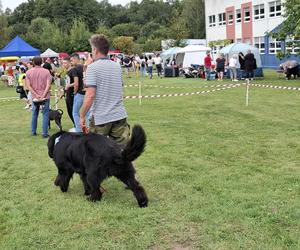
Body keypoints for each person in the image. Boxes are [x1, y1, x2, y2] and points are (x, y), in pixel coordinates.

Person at [80, 34, 130, 146]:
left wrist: (82, 115)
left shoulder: (92, 68)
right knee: (123, 152)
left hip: (100, 117)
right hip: (119, 115)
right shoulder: (116, 66)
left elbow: (90, 95)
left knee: (95, 152)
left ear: (95, 50)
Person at [25, 57, 52, 138]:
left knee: (34, 114)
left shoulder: (28, 72)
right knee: (45, 114)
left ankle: (33, 132)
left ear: (33, 62)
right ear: (42, 62)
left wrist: (36, 95)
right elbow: (48, 85)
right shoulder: (46, 71)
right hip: (45, 96)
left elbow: (28, 86)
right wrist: (43, 95)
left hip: (34, 97)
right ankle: (44, 133)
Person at [70, 53, 90, 132]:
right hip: (88, 93)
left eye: (71, 60)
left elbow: (76, 83)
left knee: (75, 113)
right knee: (87, 113)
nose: (71, 62)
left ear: (76, 59)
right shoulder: (85, 67)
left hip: (79, 93)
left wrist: (75, 92)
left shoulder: (75, 69)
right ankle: (88, 129)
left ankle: (79, 130)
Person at [62, 57, 76, 126]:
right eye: (63, 63)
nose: (64, 65)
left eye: (65, 63)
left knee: (72, 111)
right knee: (69, 111)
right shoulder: (67, 72)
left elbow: (76, 82)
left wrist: (68, 86)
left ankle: (77, 126)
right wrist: (64, 90)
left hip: (72, 94)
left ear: (69, 63)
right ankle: (76, 125)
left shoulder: (73, 71)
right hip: (68, 93)